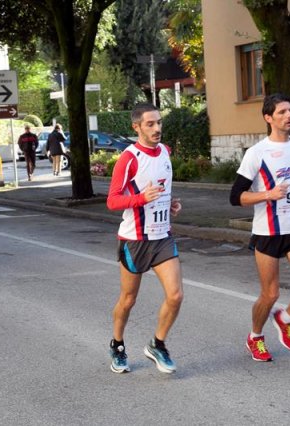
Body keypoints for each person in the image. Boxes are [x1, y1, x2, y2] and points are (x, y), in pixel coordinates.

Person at [229, 93, 290, 362]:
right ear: (268, 118)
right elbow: (235, 197)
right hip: (267, 232)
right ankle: (255, 337)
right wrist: (267, 195)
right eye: (282, 112)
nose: (289, 116)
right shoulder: (256, 153)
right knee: (270, 293)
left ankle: (286, 317)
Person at [106, 103, 183, 374]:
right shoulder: (129, 158)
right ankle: (117, 344)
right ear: (136, 127)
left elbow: (160, 188)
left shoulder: (164, 152)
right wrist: (141, 199)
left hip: (162, 236)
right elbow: (113, 201)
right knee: (128, 299)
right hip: (134, 240)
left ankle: (157, 344)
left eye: (159, 122)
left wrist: (170, 203)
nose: (157, 128)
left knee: (175, 295)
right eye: (150, 124)